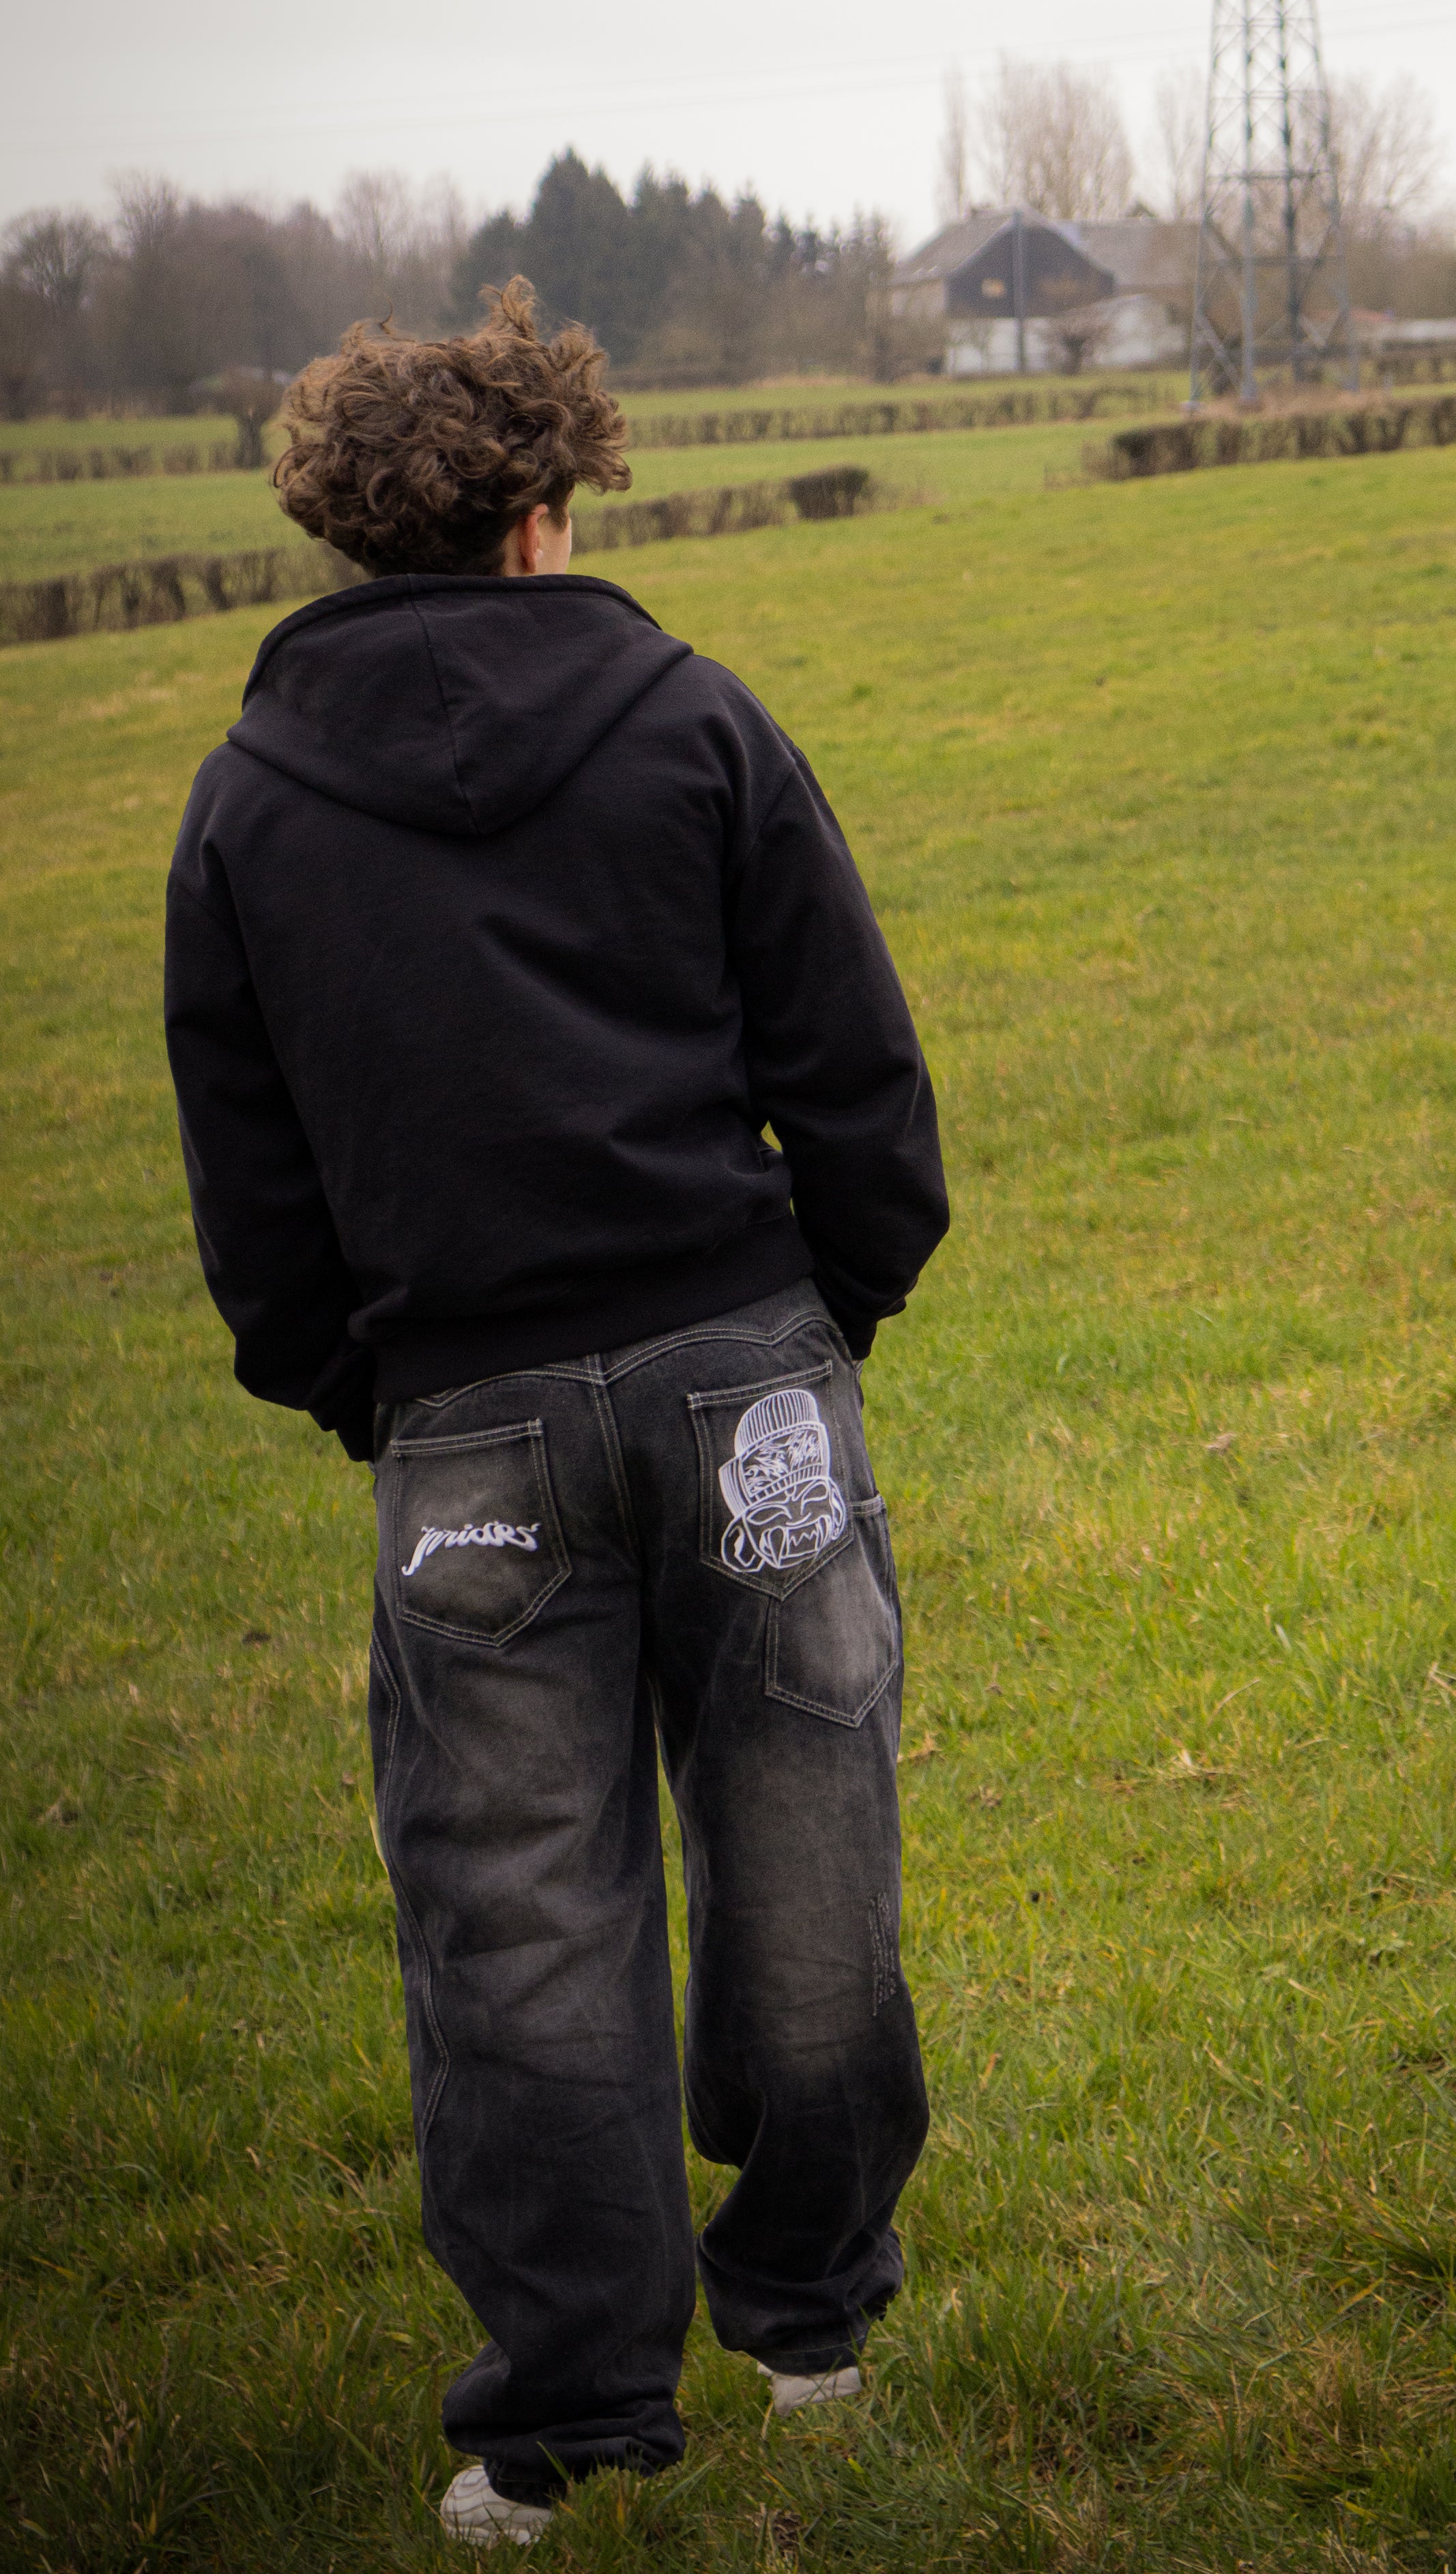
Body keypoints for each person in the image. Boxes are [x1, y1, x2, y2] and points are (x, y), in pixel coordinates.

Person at [163, 285, 948, 2548]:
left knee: (515, 1925)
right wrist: (814, 1324)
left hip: (466, 1428)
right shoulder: (697, 717)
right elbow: (857, 1075)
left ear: (342, 529)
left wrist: (375, 1395)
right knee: (808, 1852)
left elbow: (254, 1196)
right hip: (743, 1378)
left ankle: (575, 2420)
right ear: (545, 507)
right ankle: (810, 2320)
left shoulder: (244, 805)